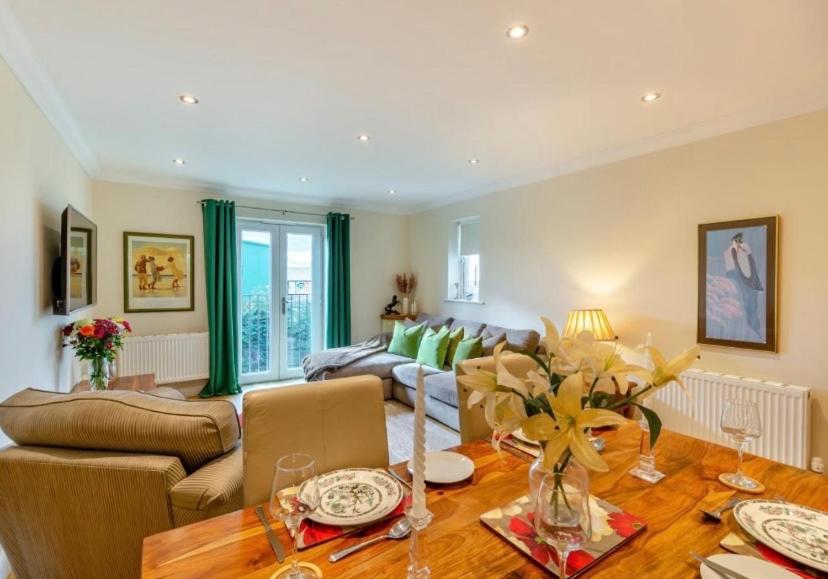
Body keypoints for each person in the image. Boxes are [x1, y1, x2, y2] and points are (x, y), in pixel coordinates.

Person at [723, 232, 764, 336]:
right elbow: (731, 271)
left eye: (740, 241)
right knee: (746, 305)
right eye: (737, 241)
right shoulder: (730, 252)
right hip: (740, 282)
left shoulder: (745, 249)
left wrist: (754, 283)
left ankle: (754, 329)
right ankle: (751, 330)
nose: (740, 243)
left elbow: (752, 266)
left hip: (750, 281)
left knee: (753, 305)